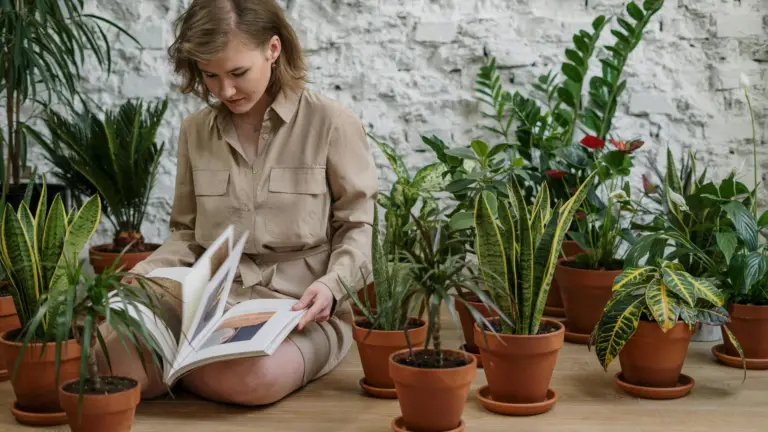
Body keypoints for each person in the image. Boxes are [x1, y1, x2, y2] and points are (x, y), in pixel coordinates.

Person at [95, 0, 377, 406]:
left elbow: (358, 226)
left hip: (299, 311)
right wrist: (144, 274)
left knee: (250, 379)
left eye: (237, 73)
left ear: (273, 49)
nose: (224, 90)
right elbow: (186, 234)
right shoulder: (195, 131)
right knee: (108, 359)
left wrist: (332, 287)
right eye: (210, 75)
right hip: (207, 305)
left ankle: (172, 369)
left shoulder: (331, 123)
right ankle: (185, 366)